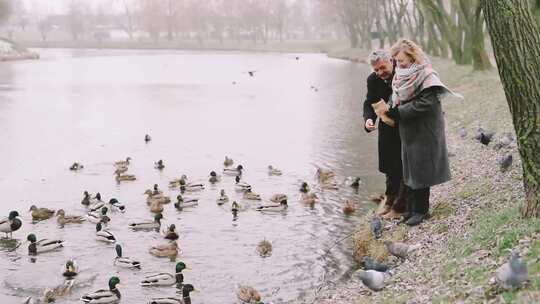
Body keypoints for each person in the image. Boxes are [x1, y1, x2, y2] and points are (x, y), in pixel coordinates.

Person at [375, 39, 455, 226]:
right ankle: (410, 209)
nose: (398, 64)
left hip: (424, 130)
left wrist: (399, 112)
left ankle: (421, 211)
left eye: (401, 60)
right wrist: (390, 108)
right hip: (409, 130)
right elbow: (399, 98)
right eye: (396, 60)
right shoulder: (401, 76)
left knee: (421, 170)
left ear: (412, 57)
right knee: (409, 170)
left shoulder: (427, 75)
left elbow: (427, 103)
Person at [363, 49, 408, 219]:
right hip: (387, 126)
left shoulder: (404, 73)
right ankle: (389, 200)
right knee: (390, 165)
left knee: (405, 165)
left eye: (383, 68)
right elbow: (369, 102)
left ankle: (400, 205)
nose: (380, 73)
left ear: (391, 60)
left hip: (406, 124)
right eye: (376, 70)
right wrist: (369, 120)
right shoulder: (373, 80)